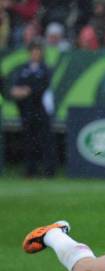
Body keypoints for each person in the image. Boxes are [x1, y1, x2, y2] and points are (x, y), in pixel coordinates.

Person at [10, 39, 56, 178]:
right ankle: (30, 171)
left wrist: (27, 90)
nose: (36, 54)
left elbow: (42, 87)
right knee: (29, 141)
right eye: (33, 52)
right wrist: (17, 91)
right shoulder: (23, 69)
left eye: (38, 52)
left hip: (41, 109)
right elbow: (15, 87)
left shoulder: (45, 69)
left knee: (45, 141)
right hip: (26, 109)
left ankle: (49, 171)